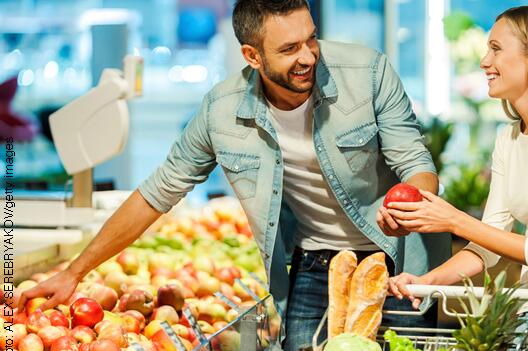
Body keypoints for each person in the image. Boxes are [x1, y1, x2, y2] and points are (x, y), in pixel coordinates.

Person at [19, 1, 443, 350]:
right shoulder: (221, 111)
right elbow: (157, 193)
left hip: (397, 260)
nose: (309, 55)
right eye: (290, 48)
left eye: (311, 38)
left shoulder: (368, 72)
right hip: (314, 265)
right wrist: (74, 273)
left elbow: (416, 163)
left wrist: (405, 207)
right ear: (252, 56)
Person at [381, 5, 528, 350]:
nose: (484, 61)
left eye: (496, 49)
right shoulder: (509, 139)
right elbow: (487, 247)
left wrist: (453, 220)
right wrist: (426, 282)